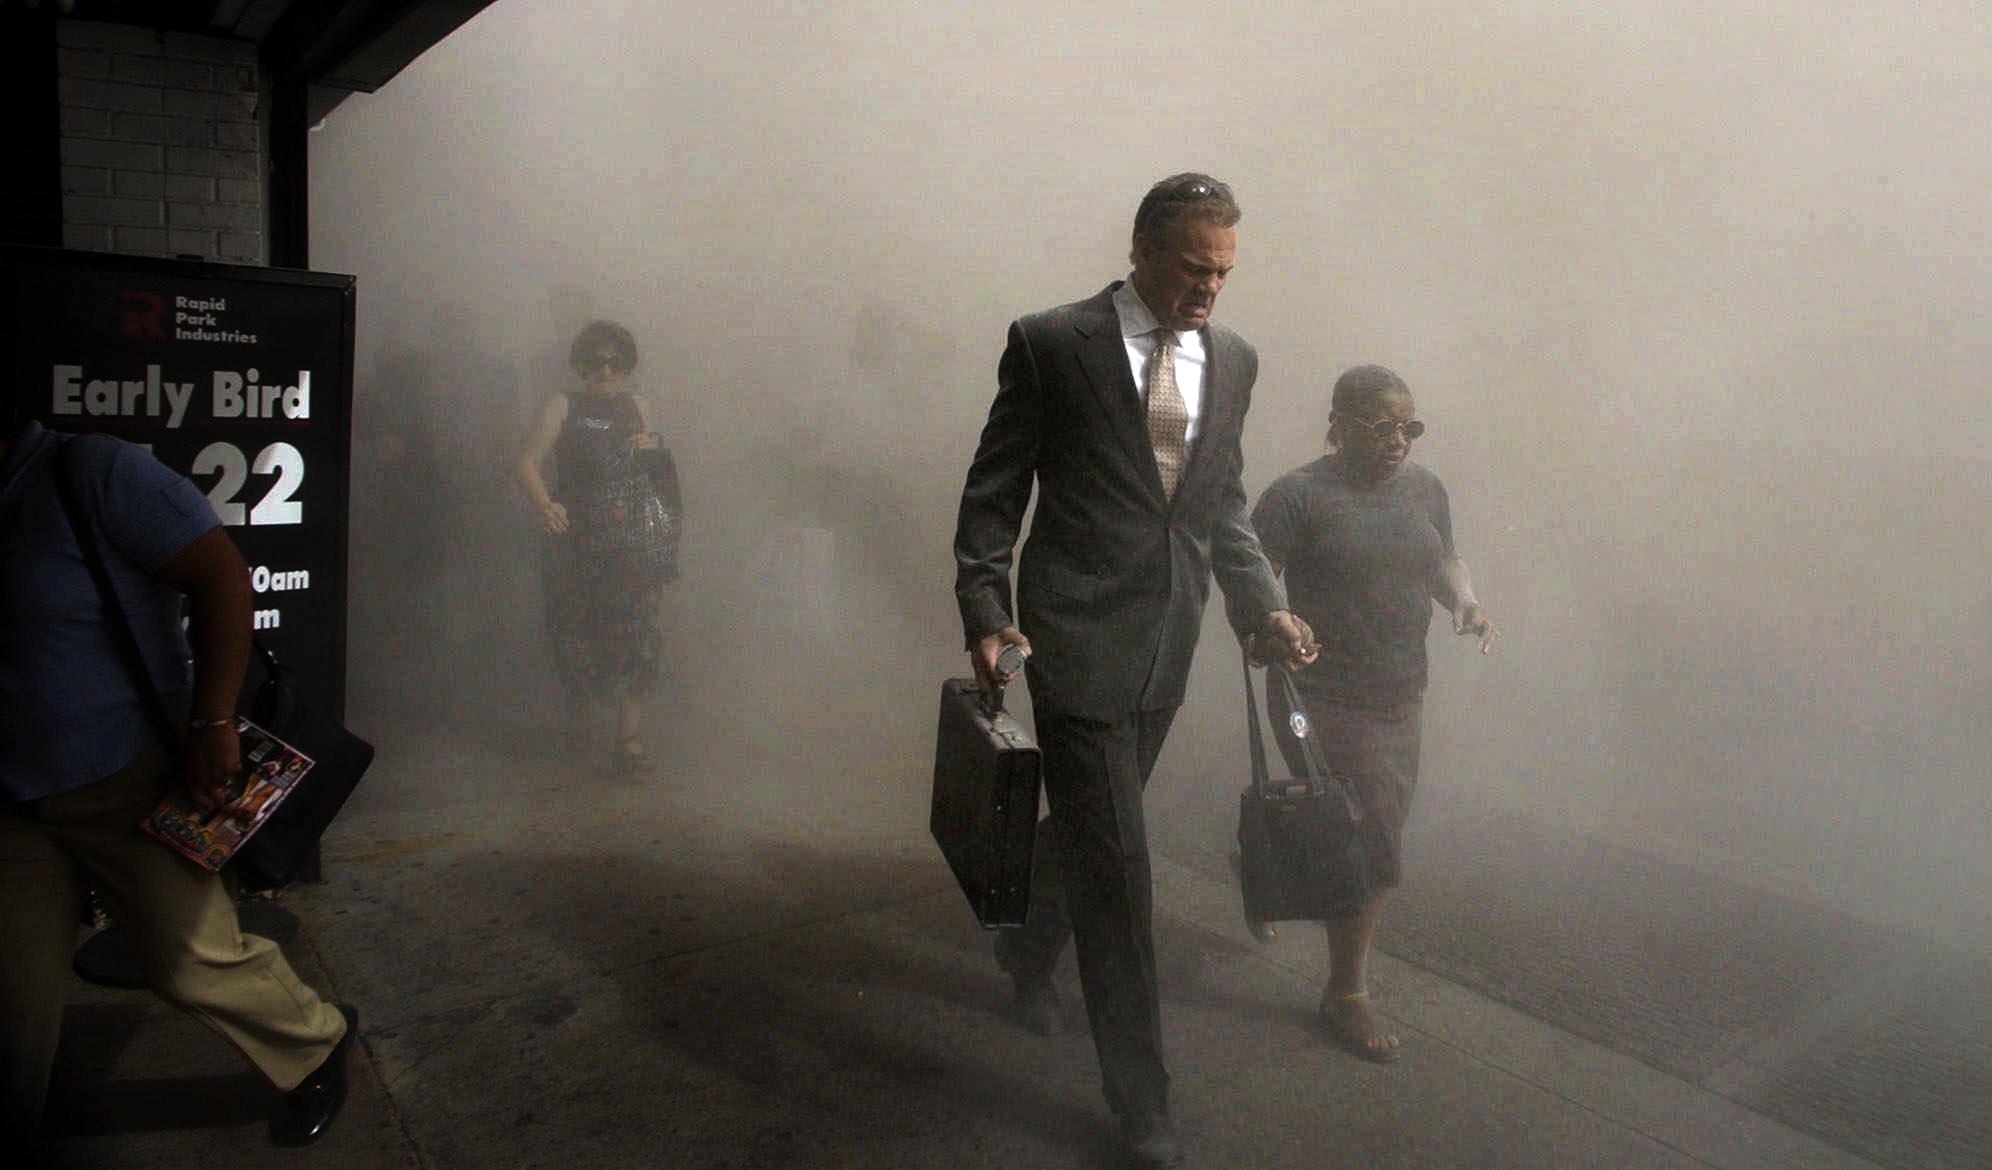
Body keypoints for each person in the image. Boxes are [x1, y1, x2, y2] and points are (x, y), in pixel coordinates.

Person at [952, 172, 1316, 1169]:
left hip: (1169, 643)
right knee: (1120, 870)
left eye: (1225, 272)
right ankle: (1140, 1103)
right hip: (1070, 639)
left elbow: (1223, 504)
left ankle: (1024, 949)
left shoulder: (1233, 359)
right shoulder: (1048, 342)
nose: (1210, 288)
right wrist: (986, 612)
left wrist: (1263, 605)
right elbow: (994, 496)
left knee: (1086, 831)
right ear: (1144, 248)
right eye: (1195, 267)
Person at [0, 419, 356, 1148]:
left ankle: (313, 1044)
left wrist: (212, 725)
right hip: (12, 800)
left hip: (124, 778)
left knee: (189, 958)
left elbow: (222, 574)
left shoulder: (89, 473)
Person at [1248, 364, 1496, 1063]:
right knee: (1369, 838)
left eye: (1408, 427)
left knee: (1359, 829)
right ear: (1339, 424)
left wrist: (1466, 602)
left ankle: (1262, 860)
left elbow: (1443, 559)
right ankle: (1346, 995)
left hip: (1398, 692)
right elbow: (1251, 575)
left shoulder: (1424, 489)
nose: (1399, 441)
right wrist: (1276, 624)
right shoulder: (1297, 496)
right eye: (1382, 427)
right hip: (1319, 693)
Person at [517, 320, 682, 775]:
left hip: (630, 541)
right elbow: (528, 461)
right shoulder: (563, 405)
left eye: (614, 361)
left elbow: (656, 472)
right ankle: (580, 727)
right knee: (576, 635)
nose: (605, 370)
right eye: (595, 360)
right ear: (580, 364)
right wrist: (546, 504)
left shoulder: (638, 404)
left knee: (639, 634)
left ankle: (628, 740)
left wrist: (651, 451)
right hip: (576, 540)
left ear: (627, 364)